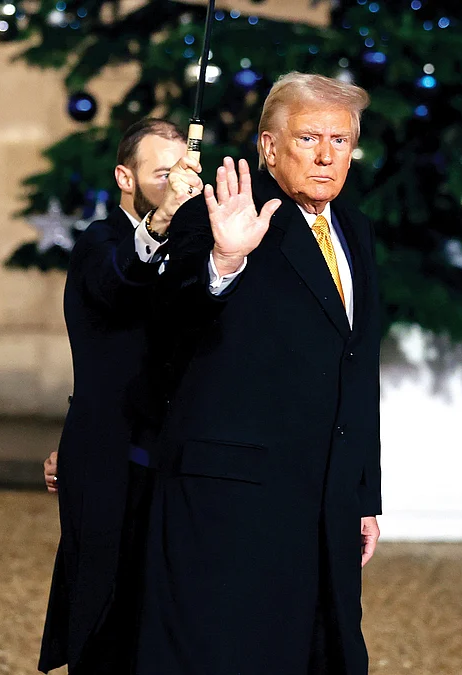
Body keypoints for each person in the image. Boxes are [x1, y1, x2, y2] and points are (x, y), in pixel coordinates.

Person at [133, 72, 383, 674]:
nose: (327, 155)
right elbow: (168, 320)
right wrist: (224, 260)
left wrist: (364, 493)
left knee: (321, 653)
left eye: (341, 140)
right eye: (308, 139)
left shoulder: (356, 230)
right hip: (231, 503)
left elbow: (357, 367)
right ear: (268, 148)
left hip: (323, 497)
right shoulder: (219, 216)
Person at [39, 118, 201, 675]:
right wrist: (160, 221)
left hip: (172, 460)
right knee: (103, 616)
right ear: (124, 178)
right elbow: (117, 282)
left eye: (186, 172)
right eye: (163, 173)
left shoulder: (199, 247)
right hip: (112, 460)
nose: (179, 184)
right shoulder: (100, 243)